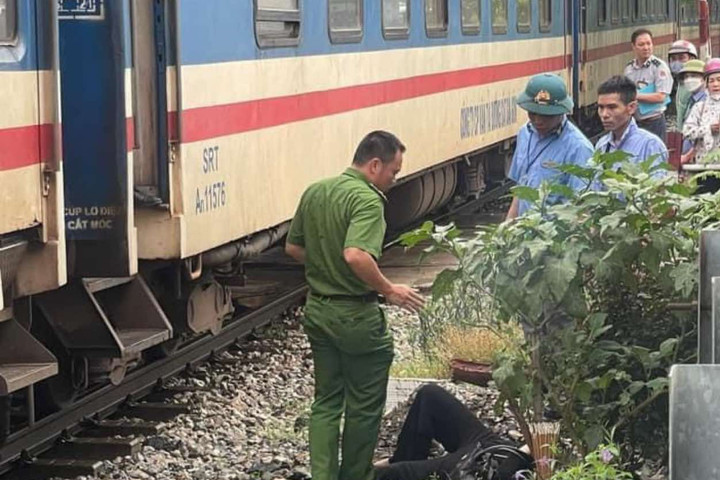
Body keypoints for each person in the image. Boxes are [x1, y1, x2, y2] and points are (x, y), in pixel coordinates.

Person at [285, 130, 425, 480]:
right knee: (363, 406)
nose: (394, 179)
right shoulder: (368, 200)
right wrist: (389, 289)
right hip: (356, 315)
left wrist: (326, 265)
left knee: (326, 402)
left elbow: (294, 248)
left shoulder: (316, 191)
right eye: (393, 171)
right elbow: (355, 254)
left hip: (318, 311)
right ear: (375, 164)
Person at [374, 384, 534, 480]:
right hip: (495, 446)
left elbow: (505, 473)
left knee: (393, 473)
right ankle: (402, 459)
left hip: (489, 463)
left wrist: (521, 454)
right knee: (430, 395)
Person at [506, 73, 594, 220]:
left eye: (547, 116)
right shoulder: (524, 134)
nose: (538, 121)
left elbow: (582, 209)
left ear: (562, 112)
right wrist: (507, 229)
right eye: (533, 113)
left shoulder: (579, 148)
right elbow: (520, 191)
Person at [595, 75, 669, 174]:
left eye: (612, 107)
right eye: (601, 107)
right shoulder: (602, 145)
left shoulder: (650, 145)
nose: (604, 114)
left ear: (632, 107)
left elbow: (656, 187)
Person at [623, 29, 673, 142]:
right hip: (635, 122)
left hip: (654, 122)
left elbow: (661, 97)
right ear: (633, 46)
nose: (646, 47)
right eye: (641, 44)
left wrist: (635, 95)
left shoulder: (659, 67)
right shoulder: (629, 69)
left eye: (648, 43)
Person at [682, 59, 720, 166]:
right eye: (711, 81)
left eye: (719, 80)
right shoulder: (699, 107)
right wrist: (708, 129)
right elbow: (687, 131)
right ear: (706, 84)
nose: (715, 84)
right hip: (704, 165)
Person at [677, 59, 707, 164]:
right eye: (686, 77)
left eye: (694, 76)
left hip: (700, 159)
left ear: (704, 79)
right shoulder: (690, 100)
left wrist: (688, 155)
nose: (689, 80)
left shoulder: (707, 102)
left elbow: (705, 134)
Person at [668, 40, 699, 121]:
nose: (676, 62)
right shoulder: (667, 82)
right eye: (673, 59)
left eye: (681, 58)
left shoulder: (702, 82)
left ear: (692, 59)